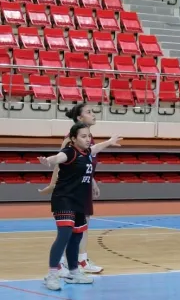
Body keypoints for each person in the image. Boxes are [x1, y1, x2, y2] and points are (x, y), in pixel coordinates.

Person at [38, 123, 121, 291]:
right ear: (74, 139)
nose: (87, 139)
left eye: (89, 136)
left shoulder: (88, 152)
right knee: (64, 235)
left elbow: (96, 147)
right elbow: (58, 158)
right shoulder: (70, 152)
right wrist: (49, 160)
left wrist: (110, 141)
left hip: (79, 201)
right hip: (64, 200)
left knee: (76, 238)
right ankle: (52, 275)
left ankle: (74, 272)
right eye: (83, 136)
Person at [40, 103, 103, 276]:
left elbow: (84, 165)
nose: (93, 114)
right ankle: (66, 263)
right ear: (79, 118)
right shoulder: (72, 138)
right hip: (70, 191)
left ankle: (78, 261)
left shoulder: (88, 137)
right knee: (69, 229)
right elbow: (60, 162)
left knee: (81, 226)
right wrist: (53, 184)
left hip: (83, 186)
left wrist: (93, 181)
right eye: (89, 112)